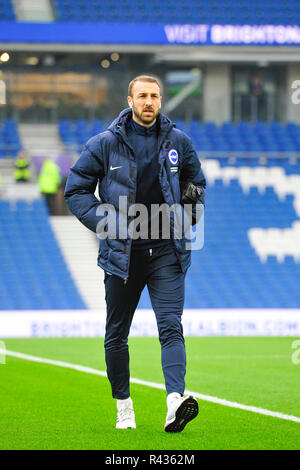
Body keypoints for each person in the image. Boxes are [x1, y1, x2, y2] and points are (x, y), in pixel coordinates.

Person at [64, 75, 206, 432]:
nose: (148, 102)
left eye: (154, 96)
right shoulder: (104, 143)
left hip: (168, 253)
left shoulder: (179, 141)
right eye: (142, 95)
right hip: (122, 256)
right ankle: (123, 405)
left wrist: (185, 217)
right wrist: (108, 223)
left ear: (161, 100)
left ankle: (175, 399)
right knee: (117, 334)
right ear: (129, 100)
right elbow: (76, 190)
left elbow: (196, 184)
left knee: (171, 326)